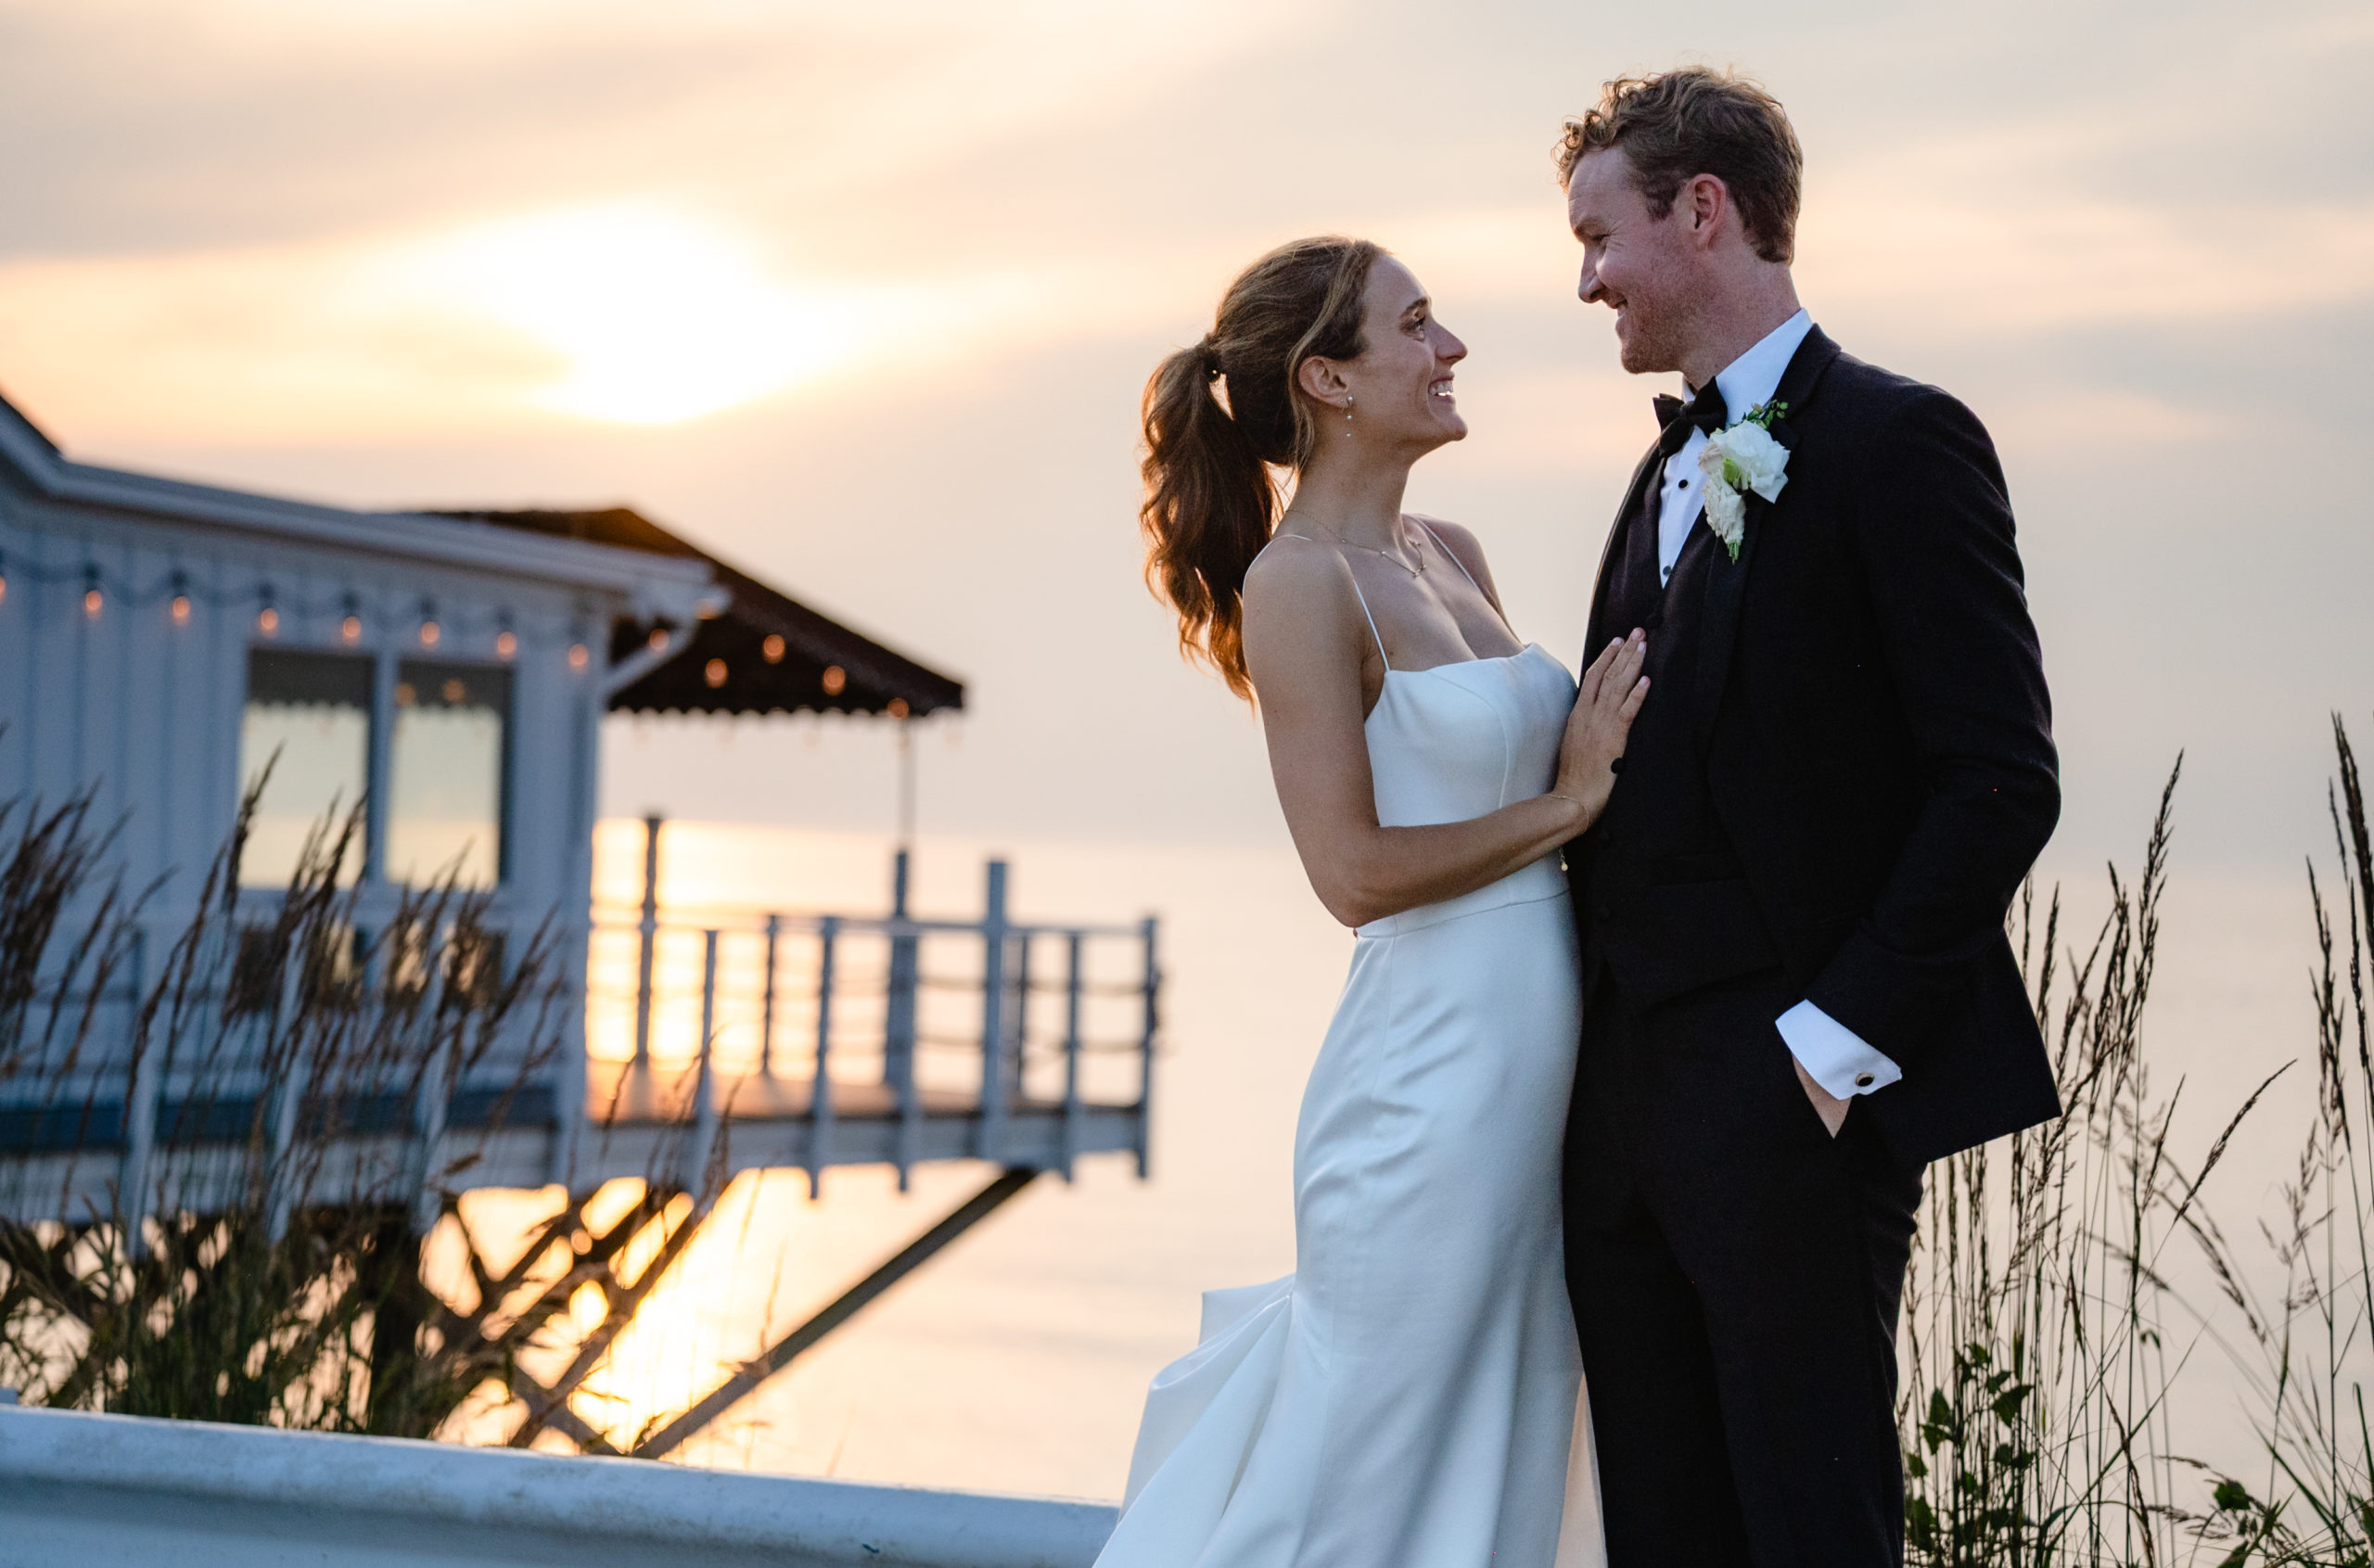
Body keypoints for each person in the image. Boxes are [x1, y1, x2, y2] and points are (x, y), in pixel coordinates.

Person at [1554, 69, 2061, 1567]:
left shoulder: (1901, 442)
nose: (1585, 280)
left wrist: (1825, 1054)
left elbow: (2000, 779)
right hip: (1622, 1129)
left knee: (1814, 1536)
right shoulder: (1658, 469)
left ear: (1702, 212)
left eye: (1598, 237)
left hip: (1793, 1119)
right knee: (1667, 1537)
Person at [1094, 236, 1639, 1567]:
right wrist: (1569, 808)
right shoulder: (1297, 586)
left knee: (1510, 1426)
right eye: (1418, 325)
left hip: (1535, 1072)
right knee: (1377, 1454)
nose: (1449, 350)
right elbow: (1349, 873)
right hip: (1421, 1086)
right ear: (1328, 378)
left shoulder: (1453, 549)